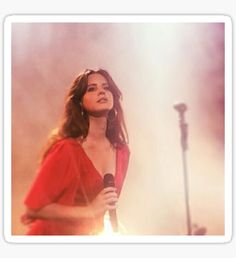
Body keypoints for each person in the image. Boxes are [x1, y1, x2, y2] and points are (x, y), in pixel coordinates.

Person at [21, 69, 130, 235]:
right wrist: (88, 211)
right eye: (91, 89)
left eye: (106, 87)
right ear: (80, 102)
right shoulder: (67, 149)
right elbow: (32, 209)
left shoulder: (122, 151)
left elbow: (105, 207)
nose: (101, 91)